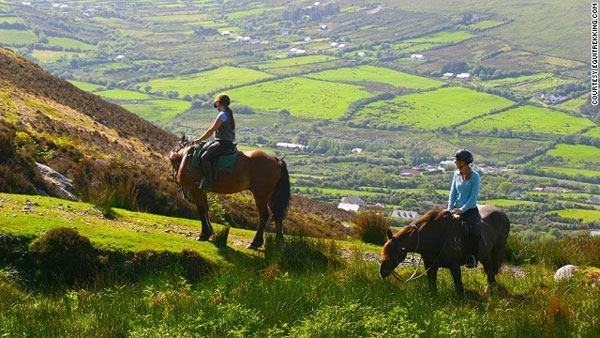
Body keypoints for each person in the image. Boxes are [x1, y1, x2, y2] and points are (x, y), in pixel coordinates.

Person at [192, 93, 236, 191]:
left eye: (217, 104)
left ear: (220, 103)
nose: (216, 107)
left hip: (223, 143)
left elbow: (211, 130)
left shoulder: (222, 115)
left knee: (204, 157)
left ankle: (208, 183)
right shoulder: (228, 113)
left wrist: (199, 139)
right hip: (227, 142)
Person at [447, 149, 481, 268]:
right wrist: (450, 209)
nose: (455, 162)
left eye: (457, 160)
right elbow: (453, 192)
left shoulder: (475, 177)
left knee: (473, 232)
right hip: (456, 208)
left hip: (470, 210)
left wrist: (461, 210)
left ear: (463, 162)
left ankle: (472, 257)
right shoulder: (456, 174)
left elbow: (473, 198)